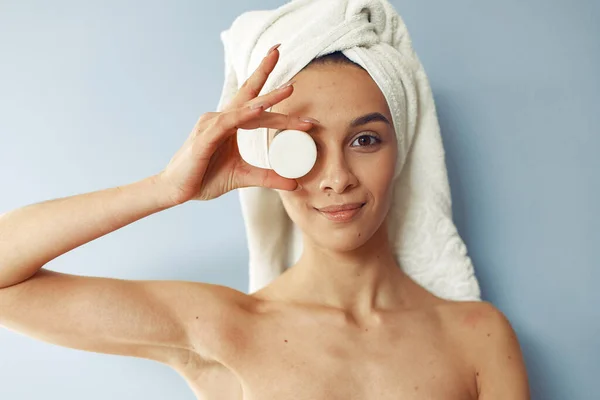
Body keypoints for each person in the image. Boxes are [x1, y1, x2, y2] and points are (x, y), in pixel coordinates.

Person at [0, 43, 529, 399]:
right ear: (270, 157)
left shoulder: (476, 336)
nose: (337, 178)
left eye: (365, 139)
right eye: (304, 146)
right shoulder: (225, 329)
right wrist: (166, 188)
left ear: (401, 149)